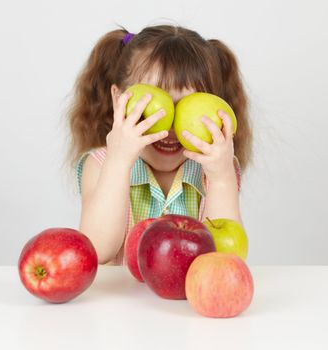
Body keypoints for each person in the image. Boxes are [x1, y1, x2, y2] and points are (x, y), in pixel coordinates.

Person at [65, 24, 253, 265]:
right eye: (156, 102)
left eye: (188, 104)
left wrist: (221, 178)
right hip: (123, 302)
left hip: (186, 301)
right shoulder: (102, 165)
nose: (170, 127)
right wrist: (119, 163)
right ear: (118, 99)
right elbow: (96, 250)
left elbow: (224, 260)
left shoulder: (214, 169)